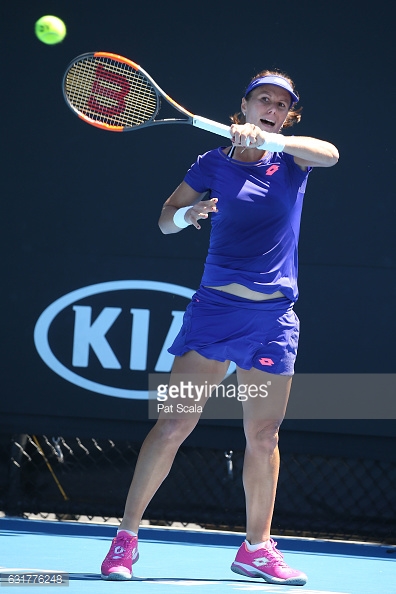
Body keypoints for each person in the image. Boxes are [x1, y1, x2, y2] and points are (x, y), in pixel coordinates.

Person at [100, 69, 339, 586]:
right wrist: (188, 217)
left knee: (263, 434)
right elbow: (166, 216)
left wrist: (271, 140)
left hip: (273, 321)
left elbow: (331, 154)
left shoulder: (292, 160)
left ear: (287, 114)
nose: (271, 107)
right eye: (263, 100)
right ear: (245, 106)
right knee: (173, 426)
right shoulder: (212, 162)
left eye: (281, 104)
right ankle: (125, 540)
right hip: (215, 316)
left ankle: (256, 549)